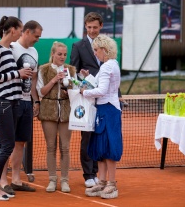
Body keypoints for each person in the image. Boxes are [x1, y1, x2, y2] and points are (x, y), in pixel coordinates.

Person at [70, 12, 126, 188]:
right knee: (87, 136)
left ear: (101, 26)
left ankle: (101, 177)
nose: (92, 30)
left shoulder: (108, 55)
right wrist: (82, 79)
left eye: (95, 27)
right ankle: (89, 174)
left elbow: (111, 80)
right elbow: (74, 71)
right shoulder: (78, 46)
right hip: (88, 100)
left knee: (101, 138)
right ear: (85, 27)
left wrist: (118, 93)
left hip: (104, 101)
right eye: (89, 27)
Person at [0, 16, 32, 201]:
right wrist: (17, 74)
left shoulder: (9, 50)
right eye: (20, 30)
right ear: (12, 30)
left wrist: (21, 77)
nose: (21, 33)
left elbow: (6, 76)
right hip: (1, 102)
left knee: (3, 146)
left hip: (12, 102)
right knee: (7, 145)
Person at [0, 20, 43, 195]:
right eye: (36, 36)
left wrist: (36, 101)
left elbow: (33, 80)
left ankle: (16, 179)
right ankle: (2, 180)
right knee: (7, 143)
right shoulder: (11, 48)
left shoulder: (34, 52)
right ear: (26, 32)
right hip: (12, 101)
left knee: (20, 142)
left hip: (26, 103)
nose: (38, 39)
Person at [80, 34, 123, 199]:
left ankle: (111, 184)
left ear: (104, 50)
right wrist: (86, 78)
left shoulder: (106, 67)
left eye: (97, 50)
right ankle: (102, 182)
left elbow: (101, 90)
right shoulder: (111, 65)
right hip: (104, 110)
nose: (95, 53)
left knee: (109, 147)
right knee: (101, 147)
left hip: (108, 110)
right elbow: (97, 83)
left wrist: (84, 92)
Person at [36, 41, 77, 193]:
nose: (62, 57)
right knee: (50, 147)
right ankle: (52, 180)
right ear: (52, 54)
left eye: (64, 54)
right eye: (59, 54)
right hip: (48, 110)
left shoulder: (71, 70)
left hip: (66, 110)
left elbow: (76, 90)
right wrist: (54, 80)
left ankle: (65, 180)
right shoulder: (44, 70)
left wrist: (69, 91)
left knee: (65, 147)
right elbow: (41, 92)